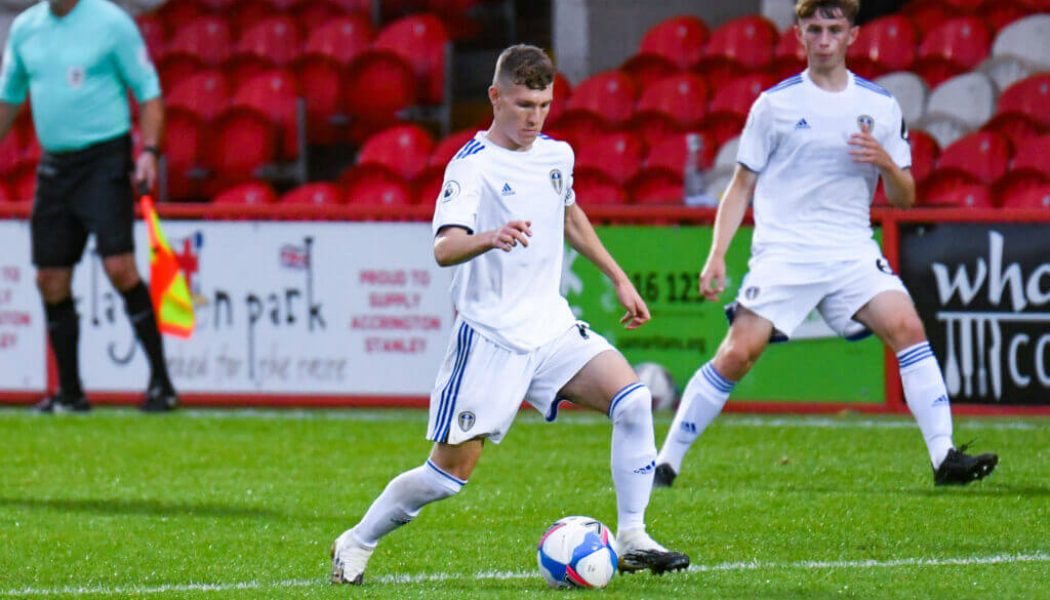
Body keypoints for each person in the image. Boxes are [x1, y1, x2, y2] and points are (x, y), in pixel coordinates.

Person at [330, 44, 690, 586]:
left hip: (551, 328)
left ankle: (634, 535)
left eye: (544, 104)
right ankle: (357, 540)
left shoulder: (556, 156)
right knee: (445, 478)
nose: (535, 117)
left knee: (634, 400)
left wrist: (616, 276)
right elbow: (445, 248)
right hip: (490, 339)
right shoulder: (470, 167)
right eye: (523, 104)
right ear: (496, 97)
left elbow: (568, 215)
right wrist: (489, 237)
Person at [654, 0, 998, 488]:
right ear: (799, 33)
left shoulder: (879, 106)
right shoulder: (774, 105)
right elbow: (740, 186)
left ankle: (945, 458)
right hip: (785, 252)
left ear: (852, 35)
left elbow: (906, 198)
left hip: (850, 250)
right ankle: (665, 462)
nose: (823, 38)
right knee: (738, 353)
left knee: (906, 326)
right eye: (813, 28)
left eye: (833, 28)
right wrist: (716, 254)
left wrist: (884, 161)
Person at [0, 0, 177, 412]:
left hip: (104, 160)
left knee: (120, 268)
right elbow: (9, 98)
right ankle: (71, 392)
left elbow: (148, 91)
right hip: (55, 165)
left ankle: (161, 383)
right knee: (50, 278)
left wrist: (149, 151)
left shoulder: (111, 23)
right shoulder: (26, 29)